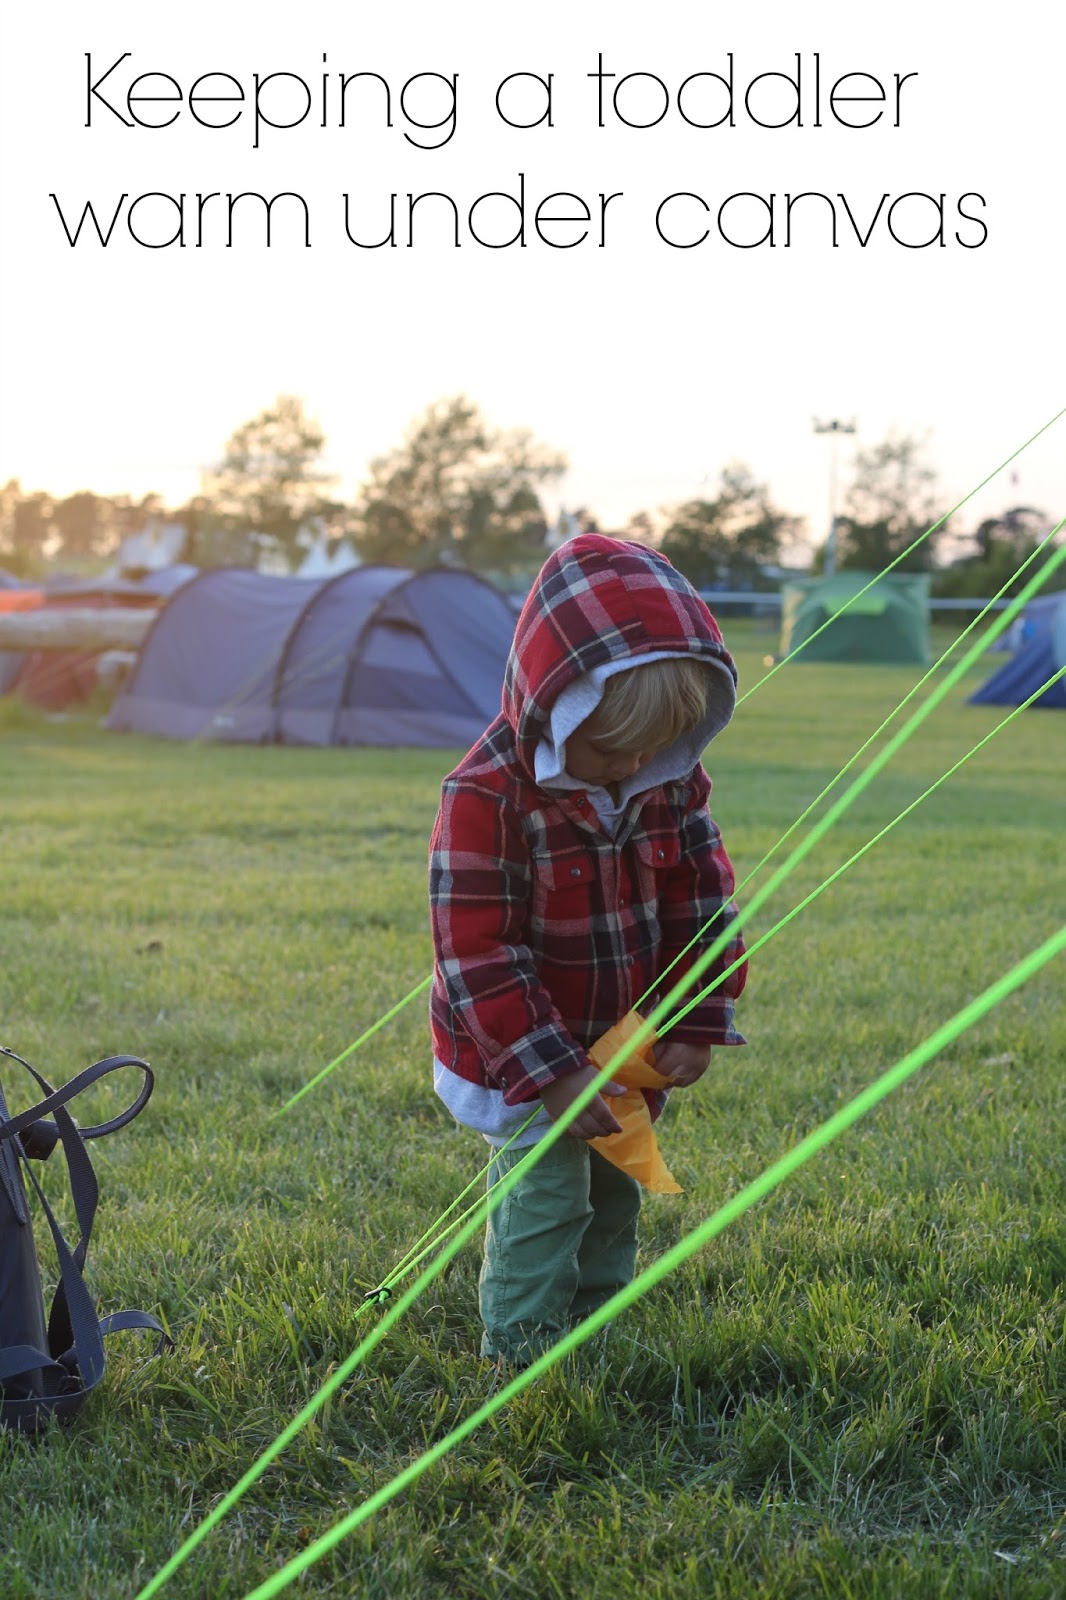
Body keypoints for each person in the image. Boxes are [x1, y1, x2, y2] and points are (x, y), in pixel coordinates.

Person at [429, 533, 747, 1365]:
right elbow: (476, 954)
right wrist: (554, 1070)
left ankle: (598, 1326)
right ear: (555, 704)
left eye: (658, 742)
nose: (635, 765)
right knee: (547, 1195)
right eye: (610, 746)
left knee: (614, 1186)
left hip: (624, 1040)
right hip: (521, 1050)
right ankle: (524, 1350)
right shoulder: (486, 797)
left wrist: (700, 1015)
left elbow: (701, 900)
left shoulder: (666, 781)